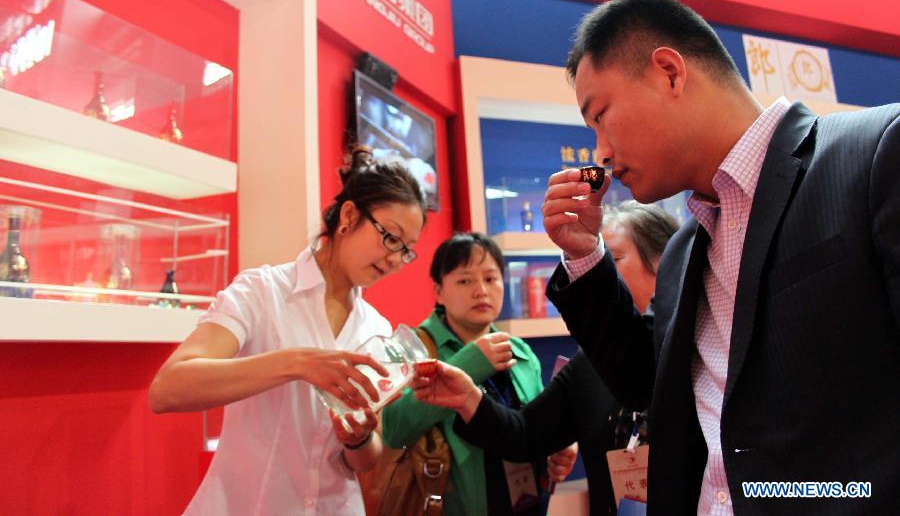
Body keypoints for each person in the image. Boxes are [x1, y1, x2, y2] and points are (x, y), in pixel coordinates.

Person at [541, 0, 900, 514]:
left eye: (601, 115)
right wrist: (583, 255)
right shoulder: (686, 249)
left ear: (669, 72)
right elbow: (645, 383)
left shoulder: (873, 152)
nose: (600, 150)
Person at [148, 147, 427, 515]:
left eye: (407, 251)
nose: (395, 259)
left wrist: (358, 440)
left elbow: (366, 460)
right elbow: (167, 389)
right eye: (391, 238)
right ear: (349, 215)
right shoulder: (262, 292)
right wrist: (296, 363)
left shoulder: (375, 327)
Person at [411, 202, 679, 515]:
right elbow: (526, 434)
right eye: (464, 280)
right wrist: (468, 399)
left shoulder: (698, 349)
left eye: (611, 260)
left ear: (666, 263)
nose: (597, 274)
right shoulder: (592, 362)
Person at [381, 232, 564, 516]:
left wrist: (560, 445)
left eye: (491, 279)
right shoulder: (412, 348)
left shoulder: (520, 351)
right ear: (439, 291)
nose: (481, 290)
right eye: (465, 280)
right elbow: (392, 429)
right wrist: (469, 363)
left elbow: (539, 425)